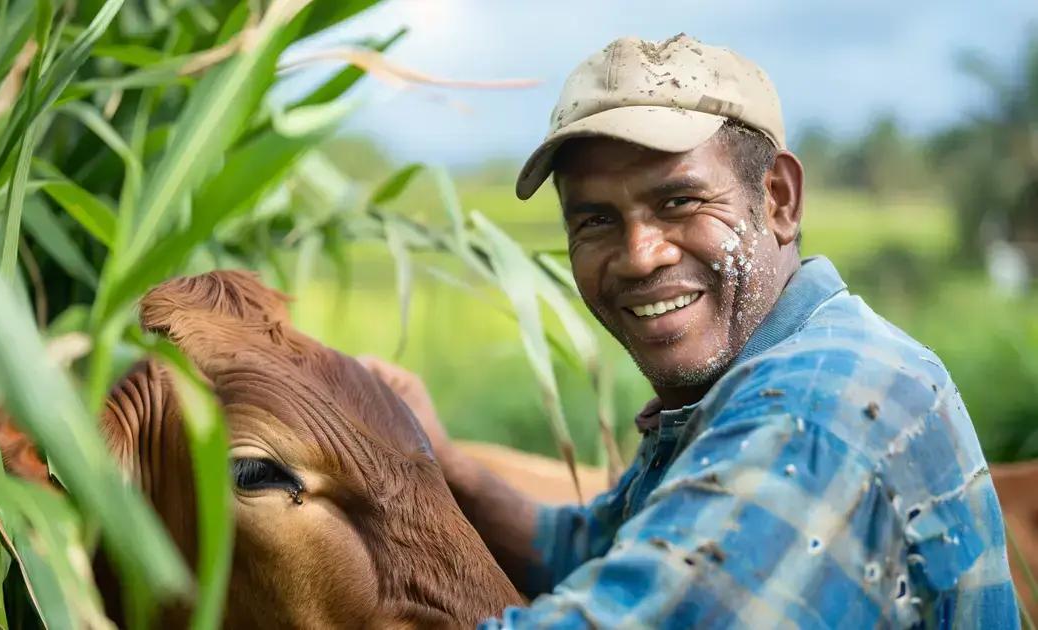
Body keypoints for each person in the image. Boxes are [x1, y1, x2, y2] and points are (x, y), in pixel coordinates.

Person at [360, 34, 1018, 628]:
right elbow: (597, 547)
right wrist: (445, 464)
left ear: (780, 200)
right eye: (595, 220)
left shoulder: (817, 412)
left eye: (679, 201)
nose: (640, 254)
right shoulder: (754, 377)